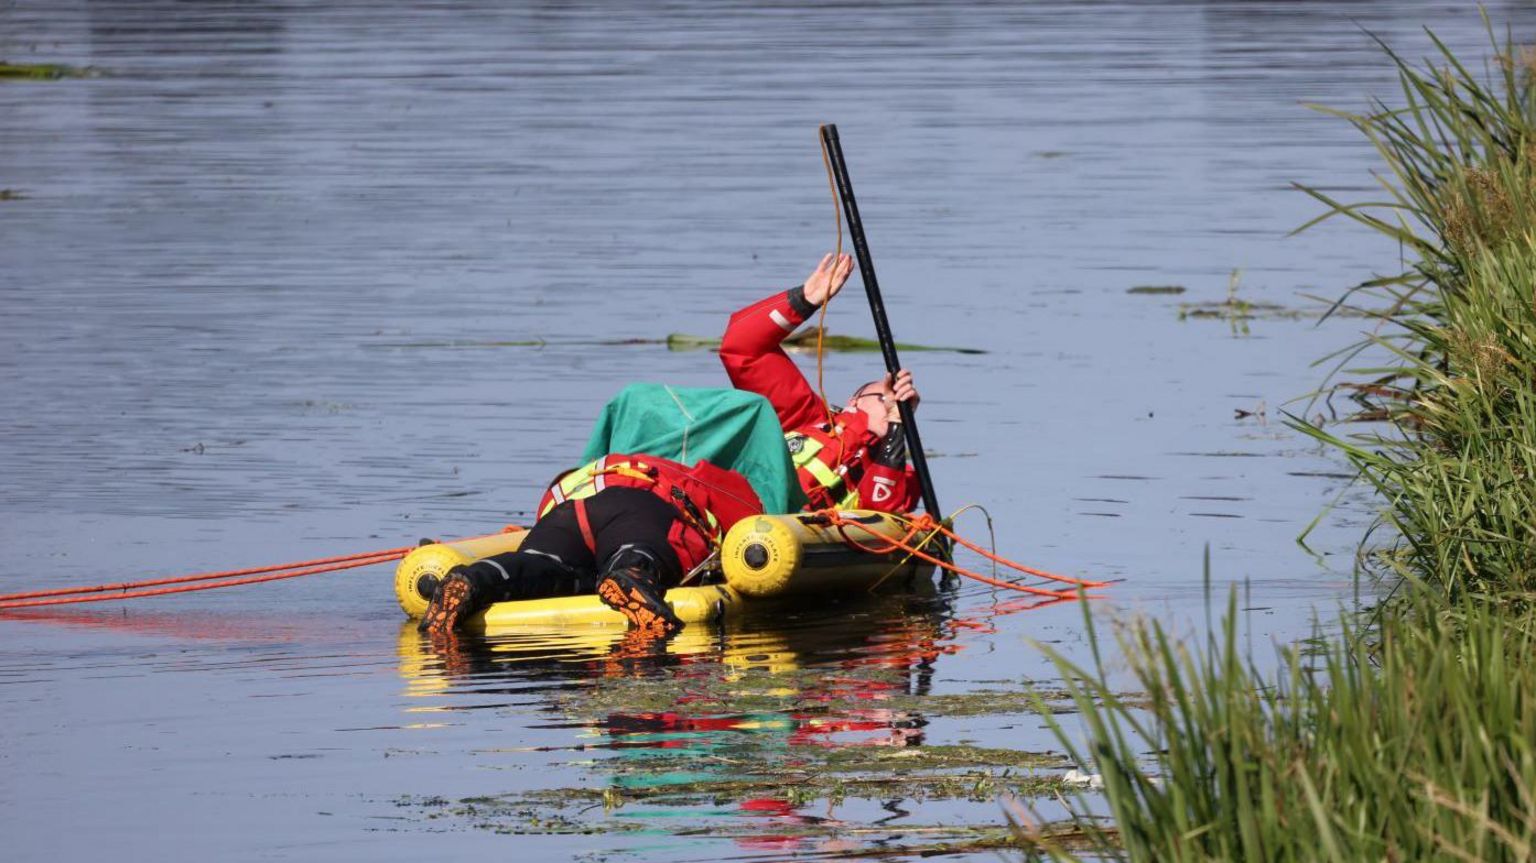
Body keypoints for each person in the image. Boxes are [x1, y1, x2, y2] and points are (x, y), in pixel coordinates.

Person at [419, 453, 763, 639]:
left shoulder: (589, 472)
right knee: (637, 548)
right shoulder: (694, 476)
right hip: (636, 504)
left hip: (565, 512)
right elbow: (743, 533)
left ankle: (477, 578)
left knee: (543, 563)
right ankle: (630, 572)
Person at [720, 253, 921, 513]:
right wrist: (804, 300)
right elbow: (742, 348)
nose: (892, 404)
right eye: (883, 398)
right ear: (854, 401)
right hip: (737, 516)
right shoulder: (802, 416)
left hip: (800, 541)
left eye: (902, 404)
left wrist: (896, 425)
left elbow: (881, 508)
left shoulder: (902, 475)